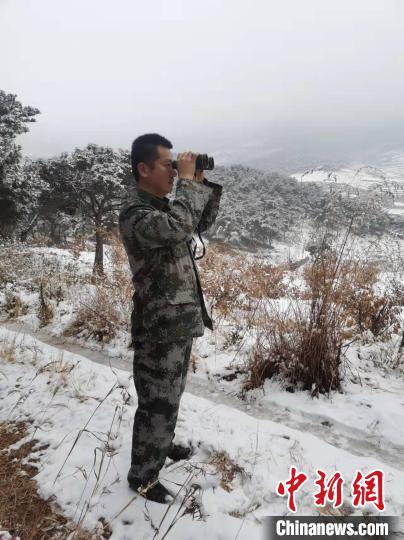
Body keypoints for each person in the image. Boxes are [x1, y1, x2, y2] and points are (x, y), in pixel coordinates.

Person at [119, 133, 223, 503]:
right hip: (158, 327)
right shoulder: (136, 214)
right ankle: (143, 476)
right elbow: (179, 226)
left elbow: (199, 223)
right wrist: (187, 185)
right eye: (168, 165)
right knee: (156, 403)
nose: (173, 172)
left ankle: (160, 447)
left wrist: (198, 183)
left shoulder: (166, 206)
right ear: (143, 169)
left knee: (171, 396)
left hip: (176, 322)